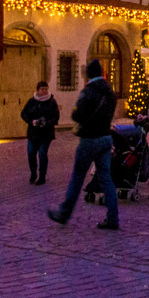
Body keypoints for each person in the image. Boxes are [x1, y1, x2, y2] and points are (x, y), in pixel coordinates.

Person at [47, 59, 119, 230]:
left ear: (88, 74)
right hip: (105, 137)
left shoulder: (89, 91)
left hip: (89, 139)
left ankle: (64, 213)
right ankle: (113, 217)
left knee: (78, 177)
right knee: (106, 178)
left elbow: (77, 115)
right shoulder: (110, 92)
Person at [20, 81, 59, 185]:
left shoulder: (52, 102)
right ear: (38, 90)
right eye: (42, 89)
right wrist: (31, 121)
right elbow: (23, 113)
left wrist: (46, 123)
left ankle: (42, 176)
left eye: (46, 89)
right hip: (33, 133)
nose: (44, 91)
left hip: (46, 134)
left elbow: (56, 118)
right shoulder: (32, 101)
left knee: (42, 153)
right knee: (31, 153)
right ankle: (33, 173)